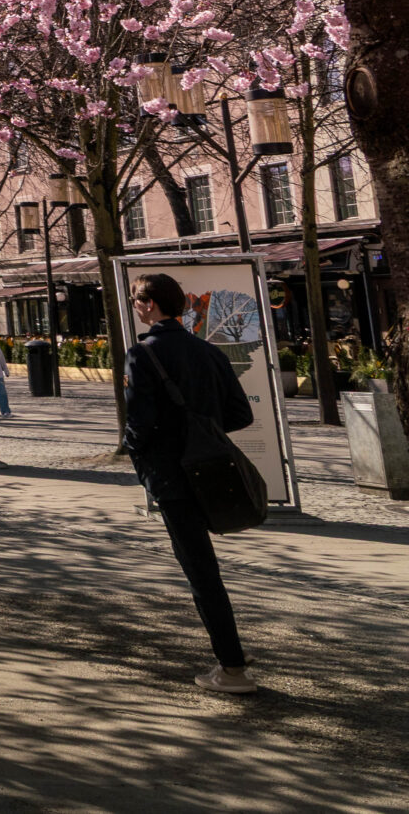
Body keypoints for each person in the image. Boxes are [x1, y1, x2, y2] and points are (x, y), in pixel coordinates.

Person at [123, 272, 260, 696]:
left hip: (172, 478)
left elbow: (139, 424)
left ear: (149, 305)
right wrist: (202, 429)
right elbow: (240, 415)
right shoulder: (208, 352)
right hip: (212, 470)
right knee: (205, 569)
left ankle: (233, 667)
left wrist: (132, 448)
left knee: (201, 571)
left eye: (136, 300)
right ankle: (231, 660)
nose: (135, 306)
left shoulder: (142, 355)